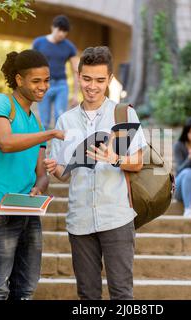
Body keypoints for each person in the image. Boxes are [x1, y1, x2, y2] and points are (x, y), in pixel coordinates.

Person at [44, 46, 148, 300]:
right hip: (79, 220)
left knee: (121, 293)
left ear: (109, 80)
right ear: (78, 76)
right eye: (87, 79)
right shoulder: (65, 121)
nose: (93, 86)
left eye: (100, 80)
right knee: (88, 295)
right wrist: (53, 168)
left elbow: (138, 162)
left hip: (117, 217)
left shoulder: (123, 114)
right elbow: (63, 174)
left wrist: (115, 158)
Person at [0, 49, 65, 300]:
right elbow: (5, 142)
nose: (43, 87)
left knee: (25, 289)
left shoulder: (35, 122)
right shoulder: (0, 103)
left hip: (26, 209)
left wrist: (40, 186)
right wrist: (50, 134)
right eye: (36, 81)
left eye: (47, 80)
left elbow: (41, 174)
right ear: (19, 79)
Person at [33, 15, 79, 129]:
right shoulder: (38, 43)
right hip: (42, 85)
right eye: (60, 30)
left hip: (61, 85)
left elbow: (76, 71)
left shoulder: (70, 47)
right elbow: (30, 66)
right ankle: (42, 146)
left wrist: (75, 94)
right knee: (44, 122)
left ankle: (59, 146)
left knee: (61, 118)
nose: (62, 34)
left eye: (65, 31)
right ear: (53, 27)